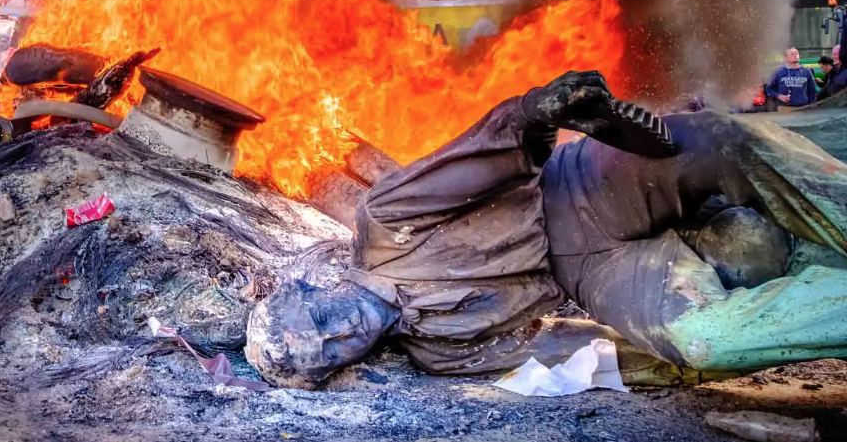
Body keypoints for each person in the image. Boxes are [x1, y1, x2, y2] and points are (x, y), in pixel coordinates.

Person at [246, 71, 847, 390]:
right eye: (330, 354)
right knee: (708, 339)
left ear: (317, 293)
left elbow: (481, 154)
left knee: (723, 143)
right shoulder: (437, 355)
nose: (343, 334)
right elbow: (563, 351)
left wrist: (538, 110)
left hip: (578, 189)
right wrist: (668, 360)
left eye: (323, 323)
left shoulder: (384, 223)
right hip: (595, 274)